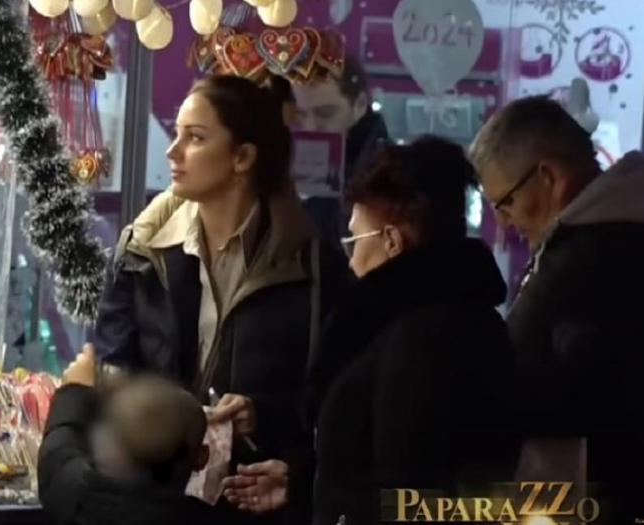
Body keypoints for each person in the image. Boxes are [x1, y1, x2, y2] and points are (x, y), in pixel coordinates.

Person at [93, 75, 351, 524]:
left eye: (195, 138)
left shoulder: (311, 268)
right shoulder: (142, 252)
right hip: (153, 504)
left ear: (242, 157)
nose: (173, 152)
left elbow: (332, 407)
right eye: (176, 133)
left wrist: (260, 415)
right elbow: (113, 372)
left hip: (252, 505)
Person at [232, 137, 520, 523]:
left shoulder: (415, 340)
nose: (350, 260)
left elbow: (408, 493)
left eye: (353, 241)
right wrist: (304, 484)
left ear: (391, 241)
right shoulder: (456, 318)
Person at [471, 95, 644, 522]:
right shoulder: (601, 238)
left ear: (547, 177)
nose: (505, 223)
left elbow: (595, 390)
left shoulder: (595, 259)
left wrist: (482, 382)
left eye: (505, 203)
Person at [39, 346, 233, 525]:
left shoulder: (84, 501)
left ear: (114, 452)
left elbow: (56, 456)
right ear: (203, 457)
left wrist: (75, 388)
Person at [296, 56, 390, 245]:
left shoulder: (387, 170)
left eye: (326, 113)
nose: (311, 126)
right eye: (301, 114)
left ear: (360, 104)